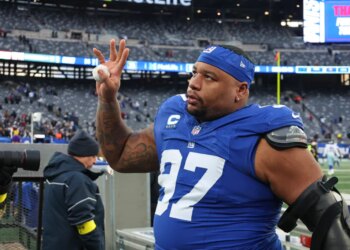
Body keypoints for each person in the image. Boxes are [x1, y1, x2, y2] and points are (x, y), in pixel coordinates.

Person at [94, 39, 350, 249]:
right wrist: (107, 100)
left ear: (240, 90)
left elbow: (333, 222)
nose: (194, 82)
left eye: (209, 77)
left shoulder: (263, 138)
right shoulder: (175, 115)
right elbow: (122, 155)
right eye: (194, 72)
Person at [42, 130, 105, 250]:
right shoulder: (77, 179)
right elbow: (84, 221)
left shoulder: (57, 174)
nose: (95, 161)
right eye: (93, 156)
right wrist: (97, 246)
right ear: (83, 155)